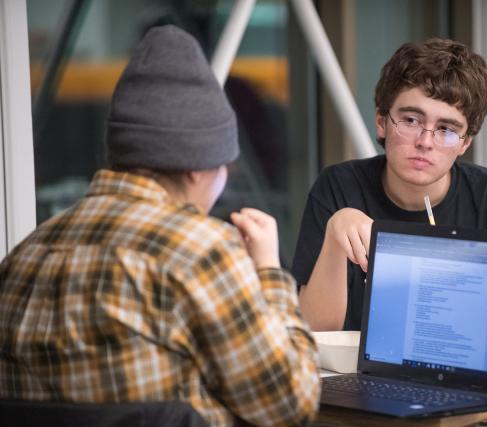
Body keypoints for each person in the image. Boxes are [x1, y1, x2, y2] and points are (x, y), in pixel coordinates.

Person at [0, 25, 319, 427]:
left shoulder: (21, 258)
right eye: (224, 164)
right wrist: (269, 271)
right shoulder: (201, 248)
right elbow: (291, 405)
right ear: (196, 167)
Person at [291, 37, 487, 333]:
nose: (425, 141)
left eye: (446, 129)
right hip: (358, 374)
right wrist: (334, 237)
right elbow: (313, 333)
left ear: (465, 143)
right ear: (382, 122)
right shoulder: (338, 188)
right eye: (411, 120)